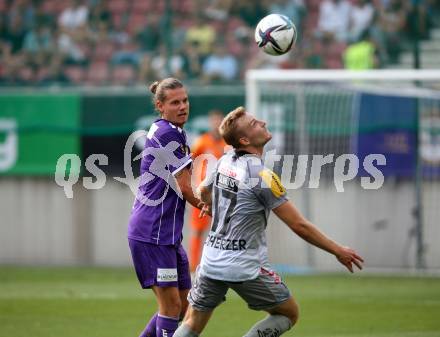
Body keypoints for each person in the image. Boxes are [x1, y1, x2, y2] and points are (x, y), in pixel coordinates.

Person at [174, 106, 364, 337]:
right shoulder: (263, 176)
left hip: (211, 260)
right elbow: (299, 225)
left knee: (192, 323)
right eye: (254, 124)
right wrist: (337, 250)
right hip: (244, 266)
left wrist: (211, 204)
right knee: (288, 313)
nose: (262, 122)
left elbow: (203, 189)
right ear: (244, 139)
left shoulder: (225, 160)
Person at [128, 78, 206, 337]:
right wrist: (216, 210)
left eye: (185, 100)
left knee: (183, 305)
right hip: (153, 232)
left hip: (167, 234)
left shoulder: (174, 130)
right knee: (171, 305)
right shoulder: (168, 133)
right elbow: (185, 187)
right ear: (161, 106)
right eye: (175, 102)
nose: (183, 106)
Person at [189, 110, 226, 273]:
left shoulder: (228, 144)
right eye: (214, 120)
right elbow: (189, 160)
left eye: (219, 120)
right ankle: (193, 268)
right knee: (197, 230)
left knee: (224, 232)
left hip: (224, 195)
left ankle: (220, 267)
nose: (216, 123)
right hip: (203, 194)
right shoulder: (202, 142)